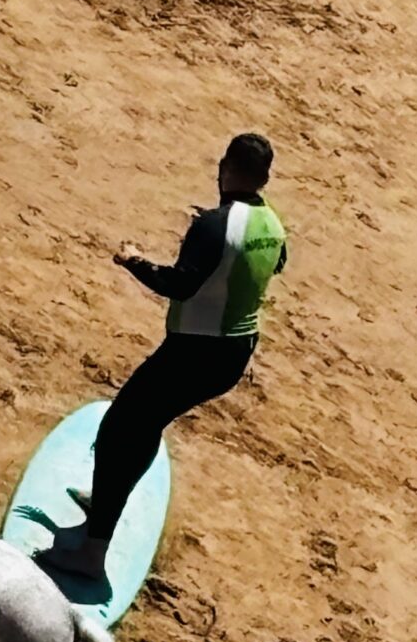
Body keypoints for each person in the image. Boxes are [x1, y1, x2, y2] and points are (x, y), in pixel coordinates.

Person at [38, 133, 286, 584]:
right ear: (264, 178)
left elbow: (180, 285)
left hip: (194, 352)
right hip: (234, 353)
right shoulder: (272, 225)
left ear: (225, 167)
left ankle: (92, 555)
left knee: (118, 429)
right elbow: (274, 262)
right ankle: (105, 501)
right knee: (144, 424)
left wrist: (133, 260)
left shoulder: (213, 225)